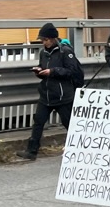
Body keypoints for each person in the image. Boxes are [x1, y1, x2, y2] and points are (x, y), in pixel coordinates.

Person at [17, 23, 83, 161]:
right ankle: (31, 151)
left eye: (46, 40)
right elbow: (43, 67)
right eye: (42, 40)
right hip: (46, 94)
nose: (44, 42)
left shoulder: (65, 51)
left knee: (70, 124)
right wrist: (39, 71)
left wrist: (53, 71)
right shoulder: (43, 53)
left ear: (53, 39)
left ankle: (82, 148)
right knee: (38, 123)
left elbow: (72, 71)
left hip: (62, 95)